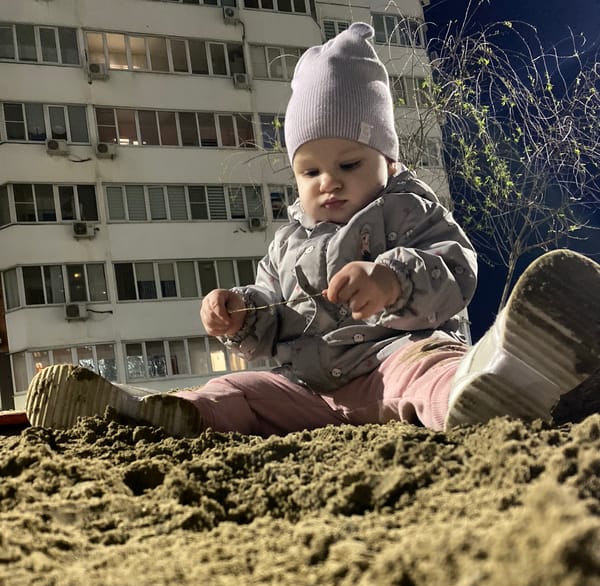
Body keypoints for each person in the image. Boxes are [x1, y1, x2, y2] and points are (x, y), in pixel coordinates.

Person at [25, 24, 600, 438]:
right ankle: (163, 416)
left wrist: (392, 278)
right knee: (236, 392)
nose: (329, 182)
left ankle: (485, 389)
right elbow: (275, 313)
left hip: (388, 360)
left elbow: (456, 267)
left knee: (427, 374)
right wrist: (241, 313)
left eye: (350, 164)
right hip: (306, 391)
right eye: (310, 170)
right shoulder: (285, 243)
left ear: (389, 163)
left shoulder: (405, 210)